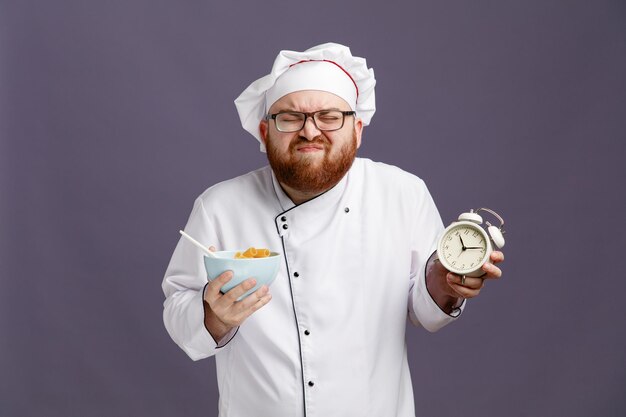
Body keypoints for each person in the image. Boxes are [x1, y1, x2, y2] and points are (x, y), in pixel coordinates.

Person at [162, 42, 504, 417]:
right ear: (265, 131)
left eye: (329, 116)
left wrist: (445, 280)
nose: (310, 131)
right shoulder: (220, 207)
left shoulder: (402, 192)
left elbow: (424, 308)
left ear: (357, 129)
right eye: (290, 117)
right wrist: (213, 315)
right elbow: (178, 307)